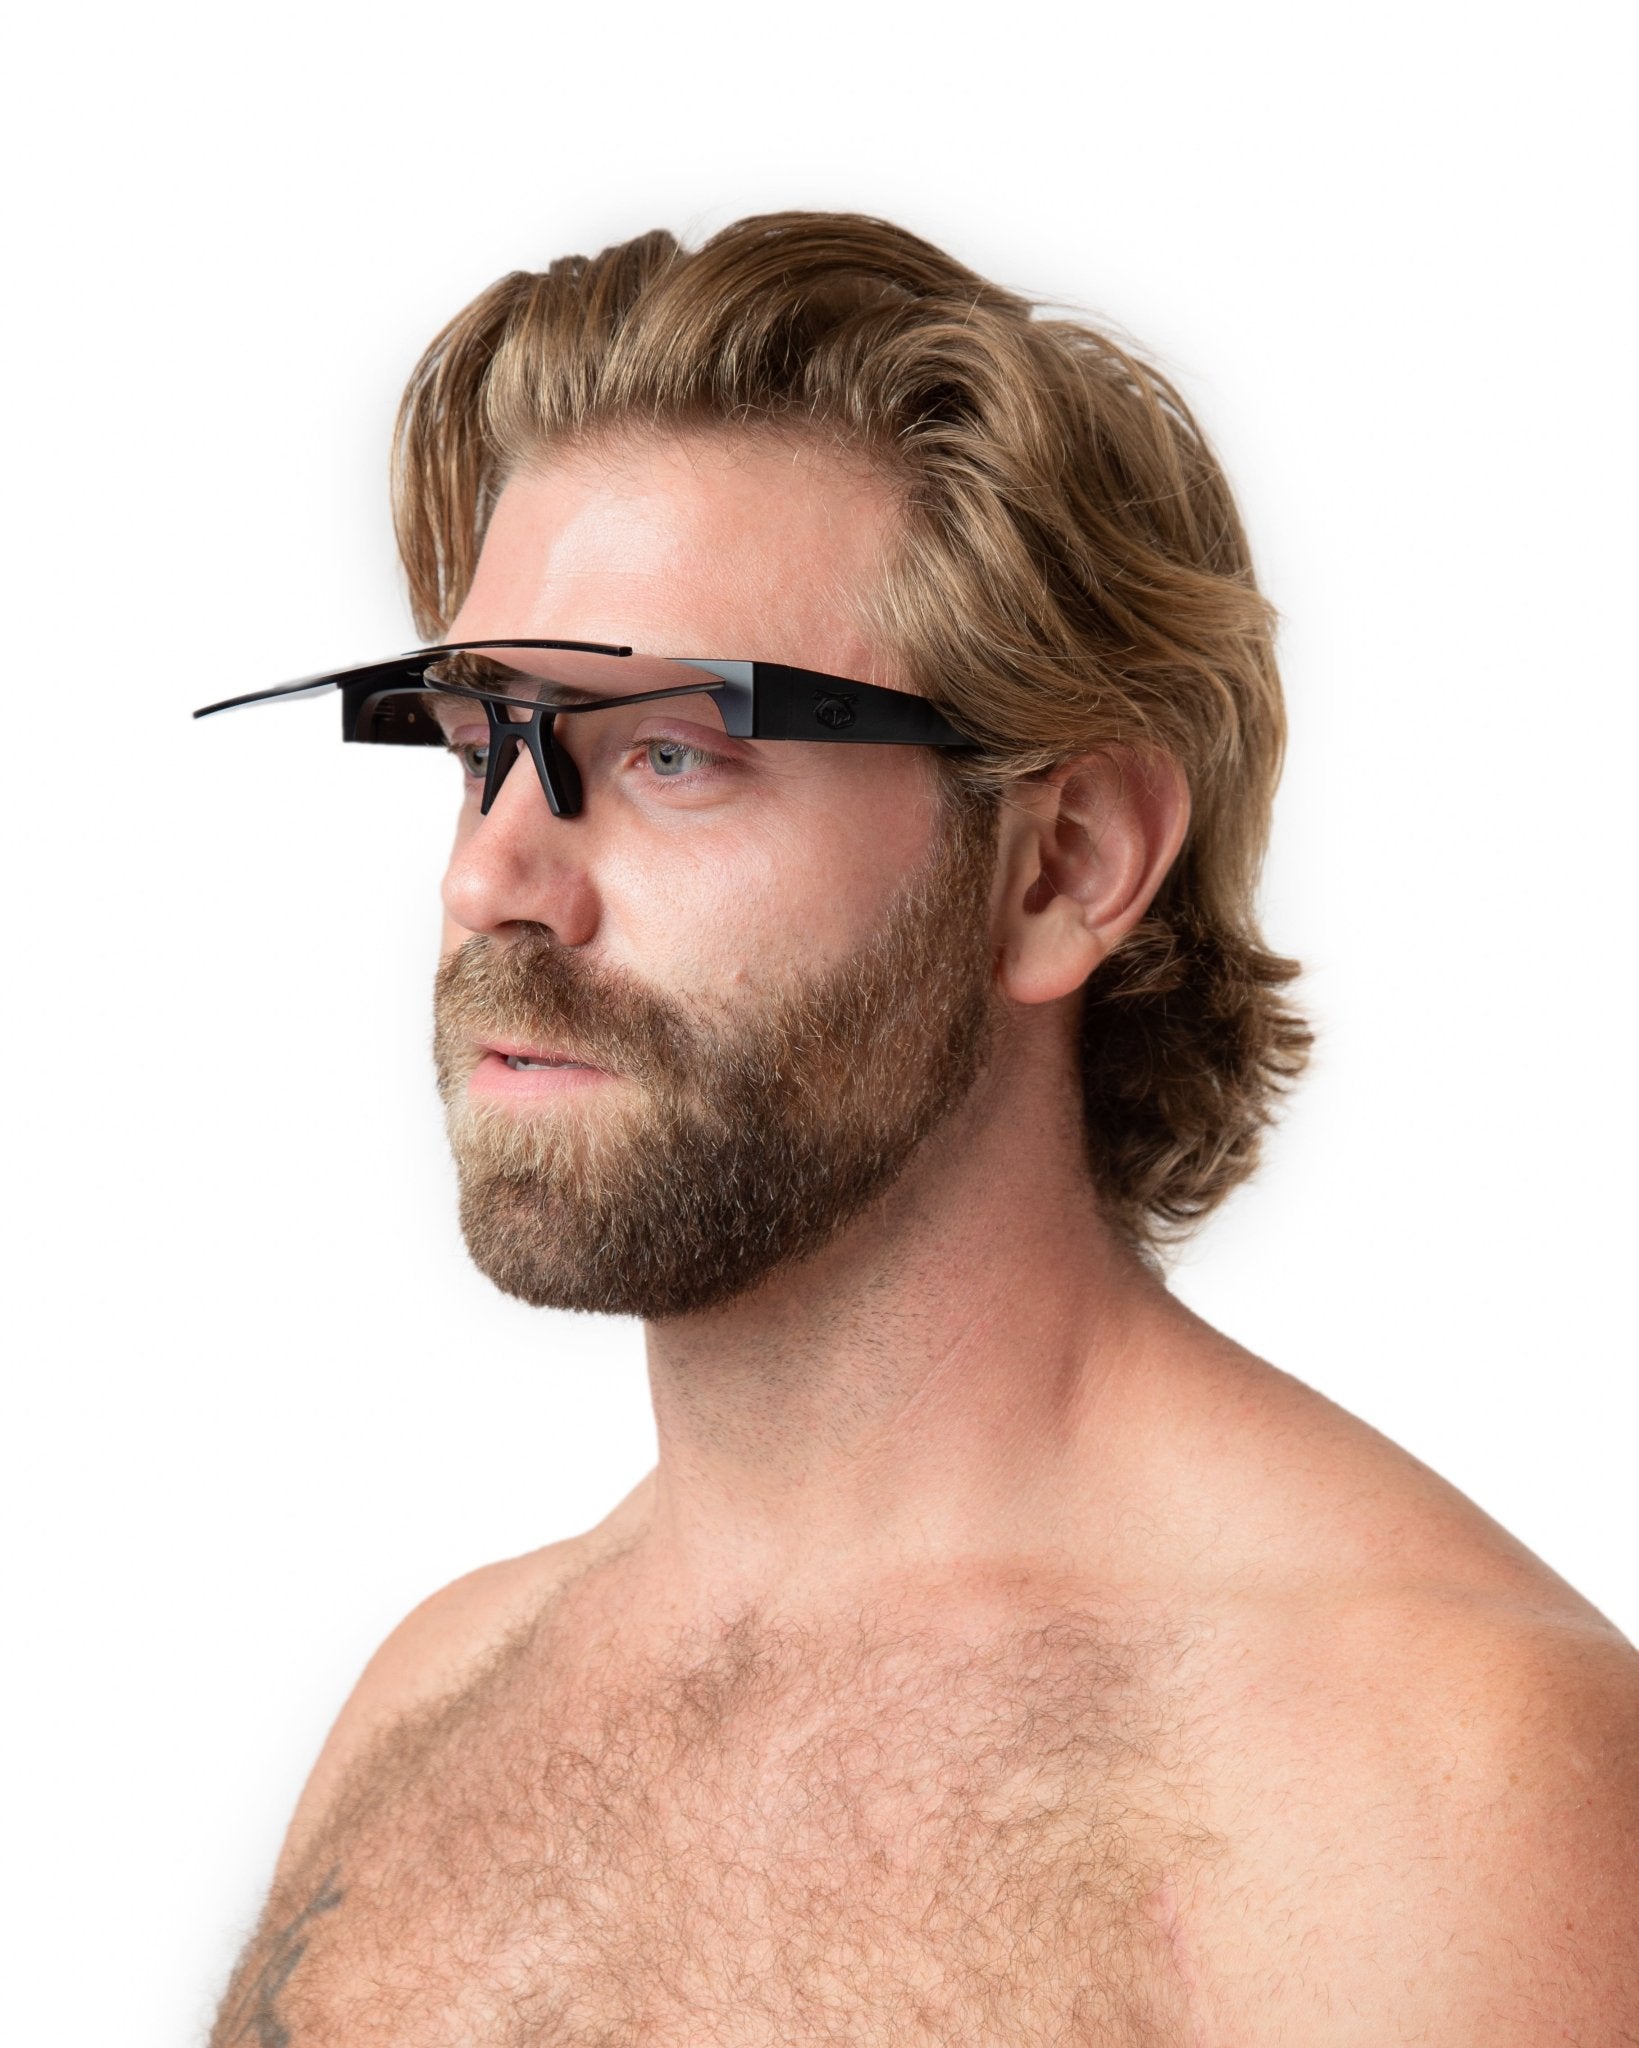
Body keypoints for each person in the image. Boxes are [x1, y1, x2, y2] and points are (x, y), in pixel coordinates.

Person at [201, 211, 1636, 2044]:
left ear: (1063, 864)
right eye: (484, 744)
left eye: (669, 752)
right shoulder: (431, 1702)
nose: (492, 878)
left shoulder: (1441, 1794)